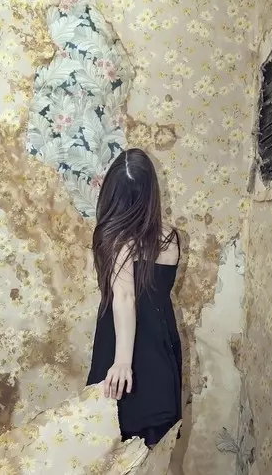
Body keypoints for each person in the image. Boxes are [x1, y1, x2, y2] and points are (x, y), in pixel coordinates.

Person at [86, 148, 182, 448]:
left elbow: (126, 297)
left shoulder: (117, 240)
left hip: (122, 345)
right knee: (155, 443)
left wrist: (123, 362)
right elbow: (153, 293)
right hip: (161, 343)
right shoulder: (171, 237)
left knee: (113, 441)